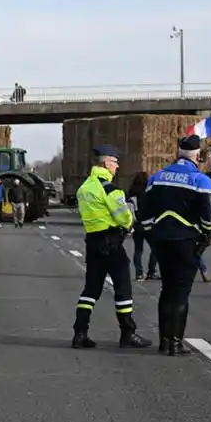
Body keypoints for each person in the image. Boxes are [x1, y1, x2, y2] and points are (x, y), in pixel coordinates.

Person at [140, 134, 211, 356]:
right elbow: (210, 216)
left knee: (166, 289)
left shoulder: (157, 177)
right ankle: (175, 342)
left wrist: (149, 232)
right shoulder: (200, 180)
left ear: (178, 153)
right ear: (197, 155)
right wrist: (207, 233)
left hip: (161, 241)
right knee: (181, 292)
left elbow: (144, 210)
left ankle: (164, 341)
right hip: (187, 241)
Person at [71, 145, 152, 350]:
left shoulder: (84, 188)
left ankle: (80, 333)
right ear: (106, 163)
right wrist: (129, 225)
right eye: (115, 163)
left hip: (92, 241)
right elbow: (124, 216)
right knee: (123, 288)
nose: (117, 167)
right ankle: (128, 333)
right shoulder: (110, 189)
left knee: (90, 290)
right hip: (112, 243)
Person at [126, 171, 158, 281]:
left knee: (138, 250)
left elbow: (129, 210)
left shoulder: (131, 193)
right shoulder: (150, 192)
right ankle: (151, 271)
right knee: (155, 249)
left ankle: (139, 273)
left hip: (137, 224)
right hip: (149, 224)